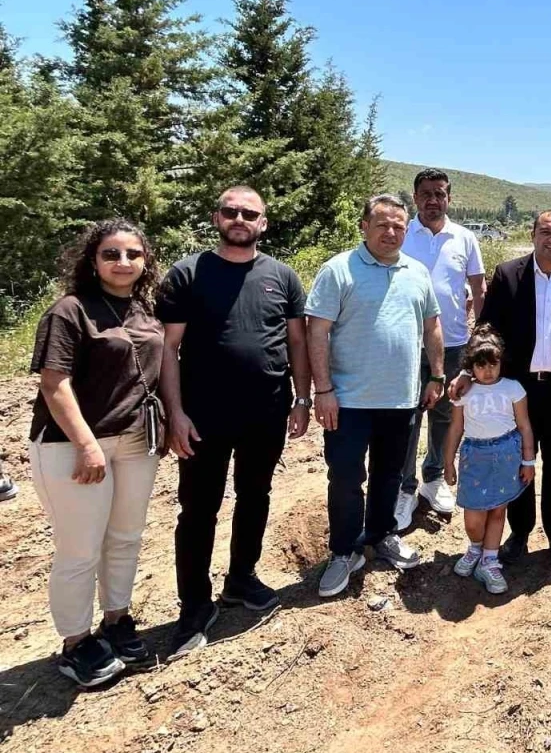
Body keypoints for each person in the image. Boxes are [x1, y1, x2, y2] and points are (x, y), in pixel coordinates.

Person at [158, 187, 312, 658]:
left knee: (255, 496)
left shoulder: (282, 277)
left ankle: (241, 578)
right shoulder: (187, 274)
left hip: (266, 412)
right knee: (198, 510)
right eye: (232, 212)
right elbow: (167, 348)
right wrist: (174, 413)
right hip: (202, 417)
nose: (240, 219)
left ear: (263, 223)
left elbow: (297, 342)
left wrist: (302, 399)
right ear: (217, 217)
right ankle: (194, 605)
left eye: (250, 213)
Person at [28, 220, 164, 686]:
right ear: (92, 260)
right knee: (80, 549)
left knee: (125, 537)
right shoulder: (69, 311)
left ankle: (117, 618)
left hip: (135, 442)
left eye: (133, 254)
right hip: (73, 445)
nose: (123, 262)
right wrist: (86, 445)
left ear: (145, 261)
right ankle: (76, 642)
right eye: (111, 254)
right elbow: (54, 383)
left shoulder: (145, 310)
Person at [305, 195, 445, 597]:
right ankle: (343, 551)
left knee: (390, 474)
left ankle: (382, 535)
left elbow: (432, 326)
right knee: (346, 478)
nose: (391, 232)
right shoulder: (338, 270)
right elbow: (317, 332)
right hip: (348, 401)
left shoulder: (417, 272)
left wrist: (437, 375)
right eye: (382, 224)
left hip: (400, 399)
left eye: (399, 226)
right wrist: (323, 390)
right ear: (364, 226)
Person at [460, 210, 551, 566]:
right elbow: (487, 328)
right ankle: (520, 533)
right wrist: (468, 370)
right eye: (545, 232)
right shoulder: (509, 274)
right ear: (533, 234)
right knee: (519, 462)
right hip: (518, 392)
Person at [396, 168, 487, 528]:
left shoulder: (464, 238)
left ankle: (433, 478)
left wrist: (480, 337)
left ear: (449, 198)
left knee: (445, 415)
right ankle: (404, 487)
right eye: (426, 194)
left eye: (440, 194)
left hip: (453, 344)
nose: (433, 200)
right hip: (407, 344)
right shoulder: (401, 235)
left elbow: (478, 289)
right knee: (407, 417)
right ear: (415, 198)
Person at [440, 326, 536, 594]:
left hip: (506, 455)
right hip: (475, 457)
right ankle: (475, 547)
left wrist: (528, 461)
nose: (488, 371)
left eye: (493, 364)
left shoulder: (513, 389)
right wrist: (448, 462)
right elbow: (456, 428)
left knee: (497, 510)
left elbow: (525, 426)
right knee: (473, 516)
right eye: (480, 365)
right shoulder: (464, 393)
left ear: (501, 361)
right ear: (471, 366)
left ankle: (489, 561)